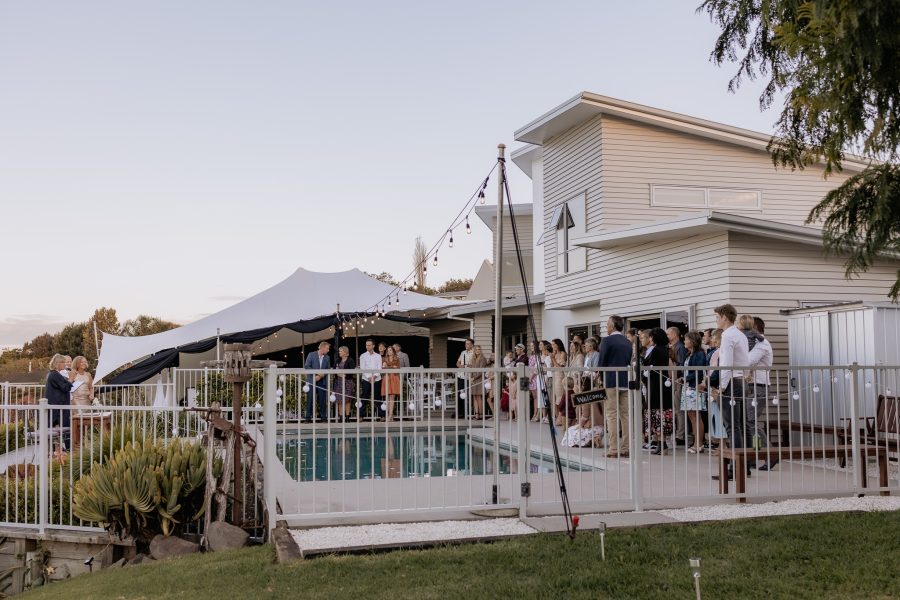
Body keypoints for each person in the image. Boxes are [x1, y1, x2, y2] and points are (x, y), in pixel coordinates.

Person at [713, 303, 751, 481]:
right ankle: (744, 466)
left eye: (717, 317)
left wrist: (721, 387)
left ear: (724, 317)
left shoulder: (728, 335)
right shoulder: (740, 334)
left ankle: (736, 467)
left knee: (732, 426)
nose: (716, 320)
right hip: (741, 380)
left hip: (731, 383)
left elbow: (726, 364)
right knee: (741, 425)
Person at [599, 315, 633, 458]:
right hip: (625, 380)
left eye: (607, 325)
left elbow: (601, 363)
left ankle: (613, 448)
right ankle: (626, 447)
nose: (606, 327)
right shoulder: (627, 341)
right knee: (625, 415)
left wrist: (600, 378)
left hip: (611, 380)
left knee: (611, 414)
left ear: (612, 326)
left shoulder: (607, 341)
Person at [748, 317, 778, 470]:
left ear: (755, 328)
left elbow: (748, 361)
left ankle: (770, 453)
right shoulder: (754, 343)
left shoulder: (762, 344)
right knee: (749, 423)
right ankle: (755, 455)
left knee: (751, 422)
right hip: (751, 386)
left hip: (758, 386)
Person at [642, 328, 674, 455]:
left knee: (657, 413)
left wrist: (643, 377)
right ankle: (662, 443)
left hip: (656, 385)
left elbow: (650, 367)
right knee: (661, 413)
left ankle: (662, 444)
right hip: (662, 384)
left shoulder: (656, 350)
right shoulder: (665, 350)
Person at [679, 332, 708, 454]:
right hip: (687, 387)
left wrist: (686, 378)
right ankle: (696, 442)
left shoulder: (699, 354)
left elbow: (699, 372)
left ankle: (699, 443)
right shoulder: (688, 354)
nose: (684, 341)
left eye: (686, 339)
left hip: (694, 387)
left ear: (692, 341)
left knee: (696, 416)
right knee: (691, 416)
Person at [668, 327, 689, 446]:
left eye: (668, 334)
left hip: (678, 381)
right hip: (673, 380)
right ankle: (678, 433)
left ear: (675, 334)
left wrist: (678, 379)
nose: (667, 336)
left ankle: (681, 434)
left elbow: (680, 365)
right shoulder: (673, 347)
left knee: (678, 409)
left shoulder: (680, 347)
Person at [45, 353, 76, 431]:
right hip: (58, 406)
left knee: (53, 426)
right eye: (63, 362)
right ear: (57, 363)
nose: (65, 364)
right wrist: (71, 379)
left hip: (58, 406)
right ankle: (67, 443)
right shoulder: (54, 374)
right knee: (65, 428)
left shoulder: (54, 374)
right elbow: (65, 388)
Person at [303, 342, 331, 422]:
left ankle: (323, 418)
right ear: (322, 348)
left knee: (322, 400)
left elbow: (328, 369)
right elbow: (307, 366)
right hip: (312, 380)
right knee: (310, 400)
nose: (328, 350)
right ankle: (308, 418)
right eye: (327, 348)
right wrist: (317, 373)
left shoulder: (327, 357)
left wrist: (321, 376)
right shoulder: (311, 354)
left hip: (322, 382)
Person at [359, 339, 382, 420]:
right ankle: (361, 416)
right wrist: (369, 377)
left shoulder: (378, 356)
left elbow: (379, 368)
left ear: (373, 346)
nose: (367, 346)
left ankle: (382, 415)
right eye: (366, 345)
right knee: (364, 397)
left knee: (378, 397)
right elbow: (362, 368)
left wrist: (374, 377)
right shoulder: (362, 356)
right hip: (366, 379)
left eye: (369, 345)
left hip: (377, 379)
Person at [334, 346, 356, 422]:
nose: (339, 352)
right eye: (339, 351)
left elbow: (352, 372)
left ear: (345, 352)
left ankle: (347, 417)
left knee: (347, 400)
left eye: (340, 351)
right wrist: (339, 374)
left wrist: (343, 375)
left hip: (348, 382)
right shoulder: (338, 360)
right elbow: (334, 370)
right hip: (339, 382)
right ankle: (341, 417)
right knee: (339, 400)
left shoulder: (351, 360)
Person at [550, 339, 568, 426]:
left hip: (560, 376)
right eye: (552, 344)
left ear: (558, 345)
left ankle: (562, 417)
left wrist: (553, 359)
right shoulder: (555, 354)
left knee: (560, 397)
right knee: (555, 397)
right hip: (554, 376)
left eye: (554, 344)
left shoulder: (562, 354)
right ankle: (558, 416)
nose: (552, 346)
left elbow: (559, 367)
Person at [381, 346, 401, 421]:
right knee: (388, 397)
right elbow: (383, 368)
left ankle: (390, 415)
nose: (389, 351)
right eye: (388, 350)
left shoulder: (397, 358)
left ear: (393, 351)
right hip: (387, 377)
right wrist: (392, 367)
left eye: (390, 350)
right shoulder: (384, 359)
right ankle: (390, 415)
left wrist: (389, 367)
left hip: (394, 377)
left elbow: (398, 368)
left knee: (392, 397)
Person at [456, 338, 475, 418]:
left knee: (467, 395)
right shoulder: (463, 352)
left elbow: (475, 364)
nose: (466, 345)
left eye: (468, 344)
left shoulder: (474, 353)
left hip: (469, 377)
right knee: (460, 394)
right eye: (465, 344)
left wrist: (470, 365)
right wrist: (460, 366)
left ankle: (467, 412)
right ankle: (459, 412)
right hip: (461, 375)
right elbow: (457, 362)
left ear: (472, 345)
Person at [470, 345, 489, 419]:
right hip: (473, 379)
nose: (477, 351)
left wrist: (474, 378)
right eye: (476, 349)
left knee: (478, 397)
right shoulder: (473, 359)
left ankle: (481, 414)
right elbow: (471, 369)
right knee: (474, 397)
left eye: (479, 349)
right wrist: (471, 377)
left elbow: (481, 371)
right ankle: (476, 414)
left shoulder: (483, 359)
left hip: (479, 379)